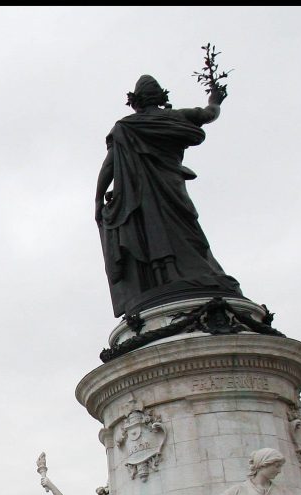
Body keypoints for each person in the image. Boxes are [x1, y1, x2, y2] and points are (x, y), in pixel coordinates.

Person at [94, 71, 243, 318]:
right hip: (171, 186)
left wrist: (98, 199)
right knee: (187, 232)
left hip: (140, 196)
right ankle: (186, 277)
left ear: (135, 102)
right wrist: (215, 99)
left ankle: (167, 276)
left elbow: (109, 166)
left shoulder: (125, 128)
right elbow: (209, 114)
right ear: (161, 97)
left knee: (154, 236)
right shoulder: (174, 117)